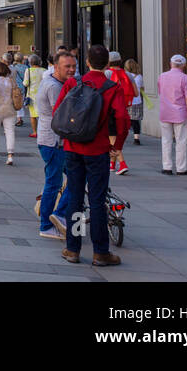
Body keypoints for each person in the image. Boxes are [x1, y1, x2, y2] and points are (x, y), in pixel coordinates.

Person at [54, 45, 129, 267]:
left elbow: (59, 110)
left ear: (86, 62)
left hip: (72, 147)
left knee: (75, 199)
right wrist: (118, 146)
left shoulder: (72, 83)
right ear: (107, 64)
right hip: (97, 150)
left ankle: (73, 248)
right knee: (97, 201)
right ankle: (100, 251)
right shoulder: (111, 87)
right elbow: (123, 120)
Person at [35, 51, 76, 239]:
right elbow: (61, 114)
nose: (72, 70)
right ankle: (49, 223)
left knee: (70, 178)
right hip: (53, 142)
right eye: (67, 66)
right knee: (55, 183)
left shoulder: (56, 82)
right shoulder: (54, 86)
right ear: (56, 67)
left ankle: (57, 216)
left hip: (53, 140)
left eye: (74, 66)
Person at [157, 55, 187, 176]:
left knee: (166, 140)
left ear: (171, 63)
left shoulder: (161, 76)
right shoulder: (186, 78)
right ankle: (181, 168)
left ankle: (167, 167)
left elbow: (160, 93)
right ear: (184, 65)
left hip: (165, 111)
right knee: (181, 141)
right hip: (180, 112)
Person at [103, 52, 137, 176]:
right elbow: (136, 93)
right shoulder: (128, 74)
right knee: (116, 138)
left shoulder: (107, 73)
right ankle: (111, 164)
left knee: (112, 140)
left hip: (111, 110)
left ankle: (122, 163)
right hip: (124, 109)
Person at [25, 54, 45, 137]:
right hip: (42, 93)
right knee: (42, 114)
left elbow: (25, 83)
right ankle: (43, 131)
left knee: (33, 115)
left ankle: (35, 132)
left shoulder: (28, 70)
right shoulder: (44, 70)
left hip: (32, 95)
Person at [125, 59, 144, 145]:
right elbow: (142, 88)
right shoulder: (139, 77)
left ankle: (124, 136)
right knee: (136, 120)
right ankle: (137, 138)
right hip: (137, 101)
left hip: (127, 101)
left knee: (126, 120)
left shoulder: (125, 76)